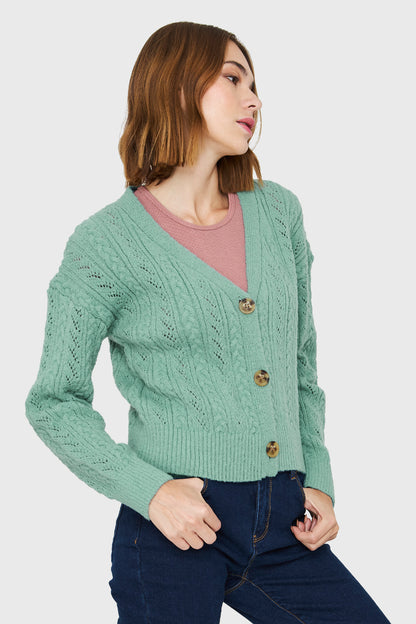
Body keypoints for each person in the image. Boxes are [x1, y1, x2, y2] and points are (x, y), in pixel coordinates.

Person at [25, 21, 391, 624]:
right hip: (176, 524)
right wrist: (150, 491)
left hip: (284, 521)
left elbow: (299, 362)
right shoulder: (103, 245)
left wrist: (318, 478)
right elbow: (53, 402)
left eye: (255, 84)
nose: (254, 99)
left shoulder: (278, 214)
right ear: (175, 87)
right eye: (232, 79)